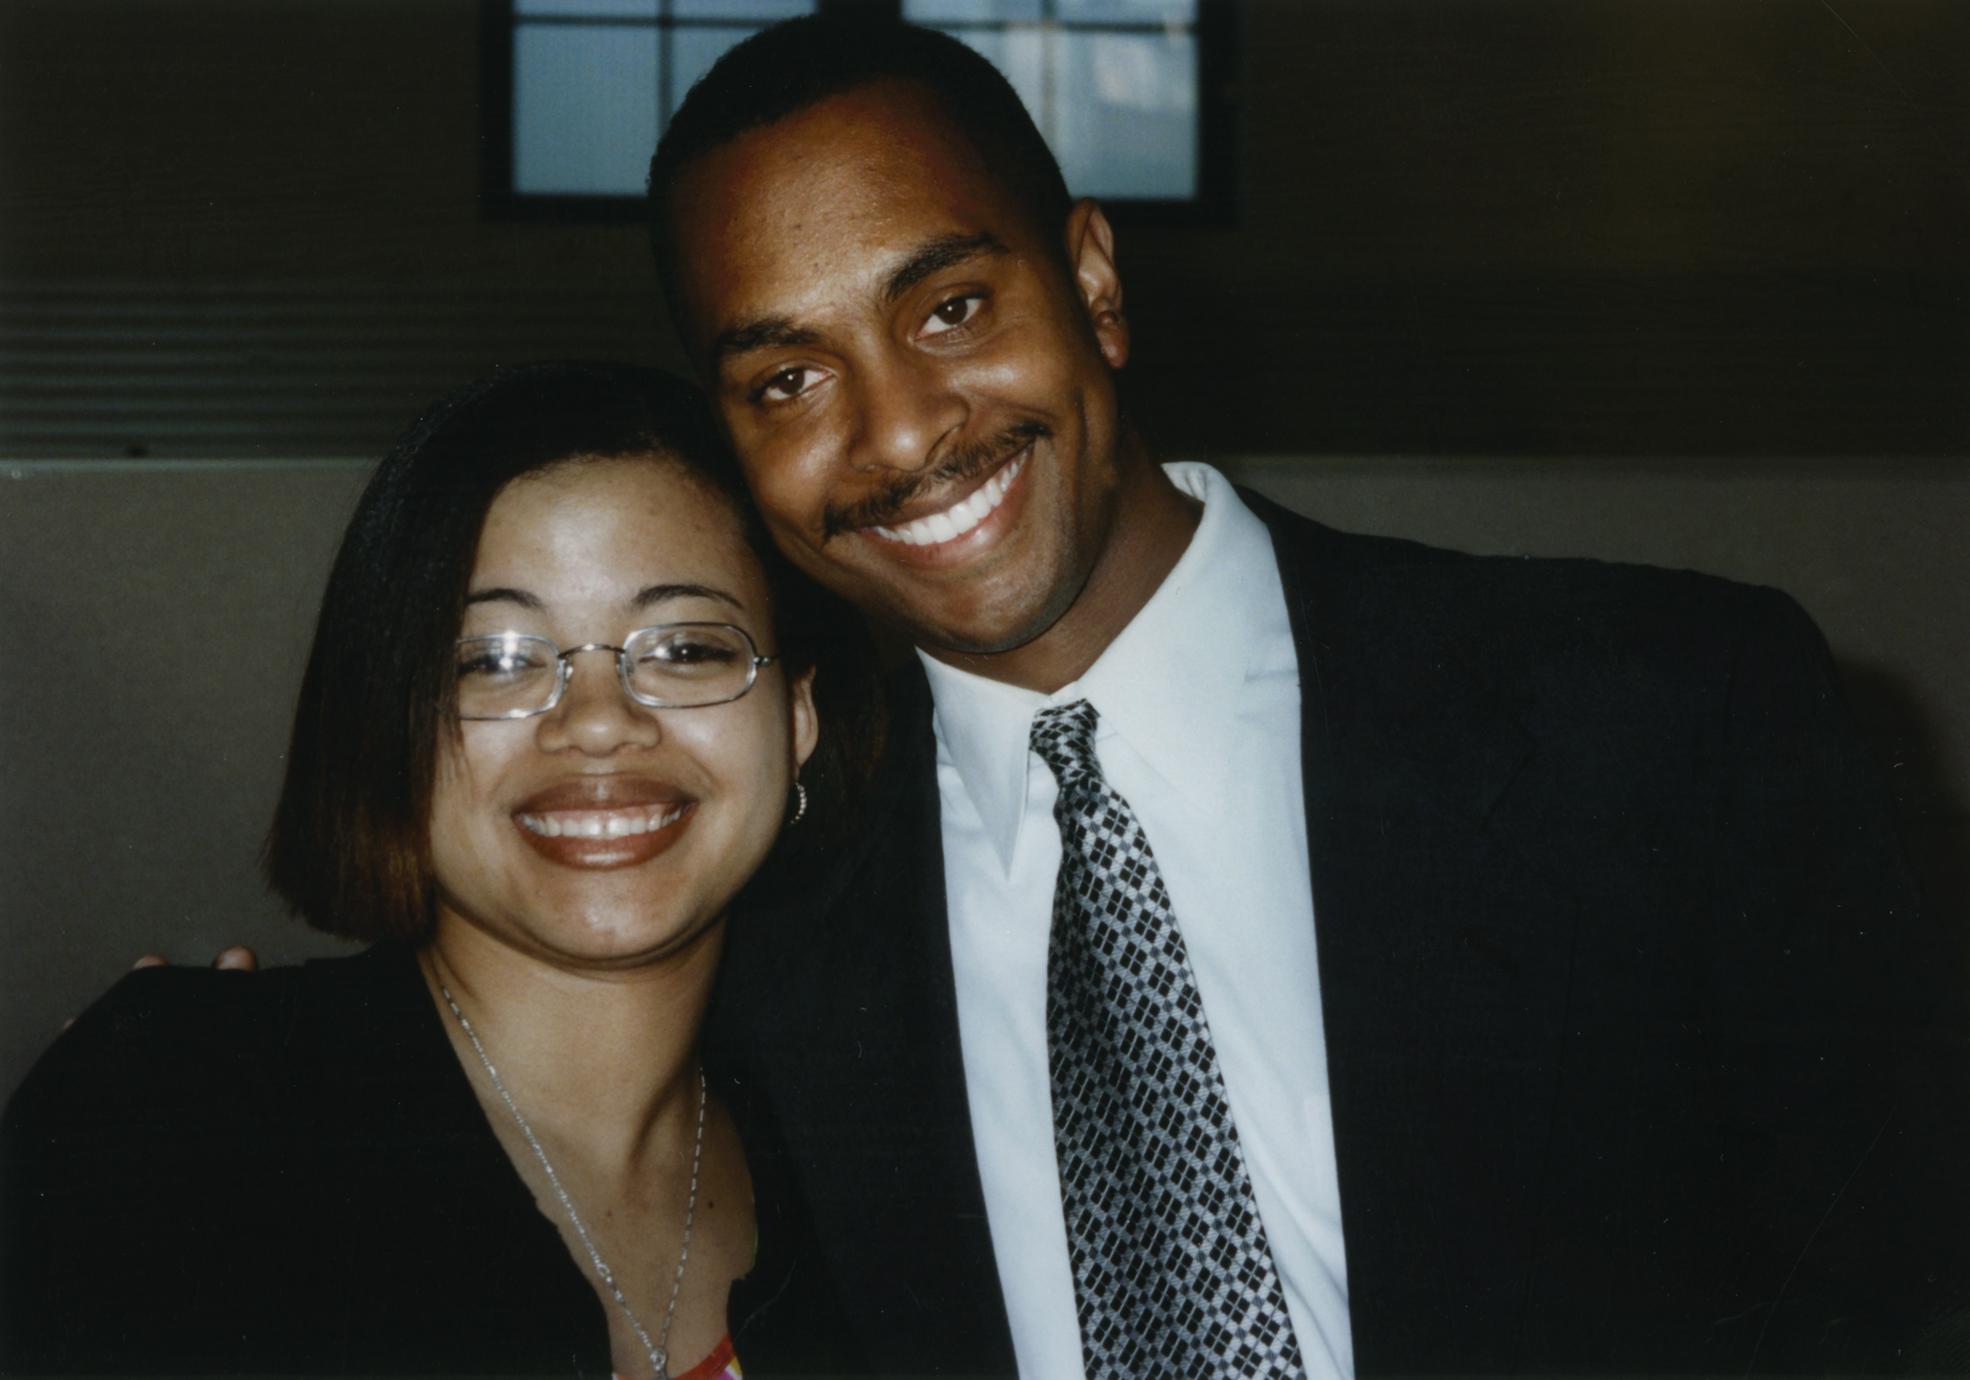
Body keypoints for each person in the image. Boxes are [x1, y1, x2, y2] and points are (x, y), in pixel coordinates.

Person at [642, 16, 1970, 1377]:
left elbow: (1912, 1301)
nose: (899, 429)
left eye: (951, 309)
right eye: (787, 379)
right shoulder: (765, 945)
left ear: (1093, 283)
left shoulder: (1666, 719)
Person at [0, 361, 876, 1376]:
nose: (599, 722)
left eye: (685, 648)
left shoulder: (869, 1161)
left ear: (797, 718)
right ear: (391, 727)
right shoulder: (182, 1121)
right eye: (495, 659)